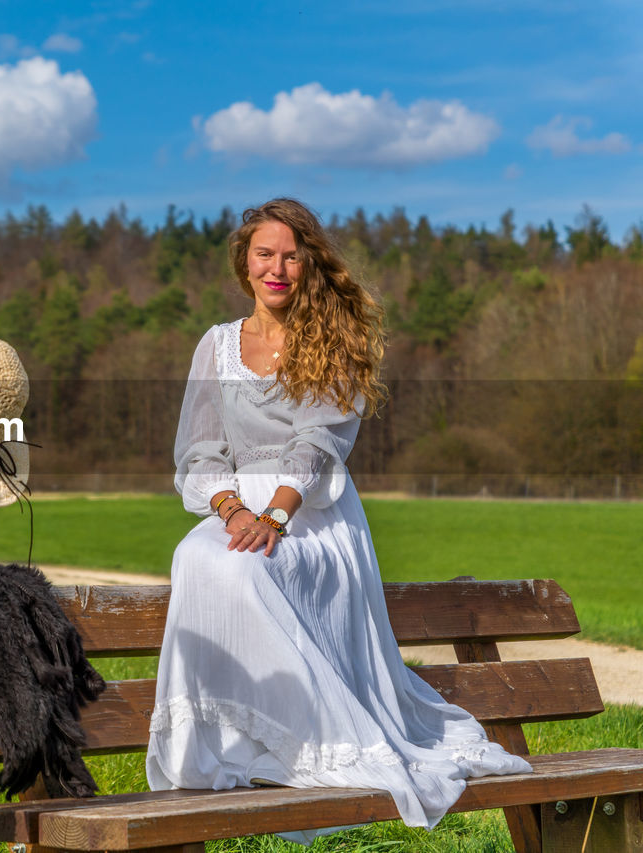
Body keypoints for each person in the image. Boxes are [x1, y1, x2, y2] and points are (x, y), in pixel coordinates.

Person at [145, 198, 532, 844]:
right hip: (240, 507)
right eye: (264, 254)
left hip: (313, 513)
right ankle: (219, 749)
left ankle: (304, 742)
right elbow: (199, 450)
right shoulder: (215, 345)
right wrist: (236, 508)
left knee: (251, 570)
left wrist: (274, 514)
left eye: (291, 256)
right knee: (198, 557)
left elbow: (317, 444)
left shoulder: (331, 338)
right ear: (244, 261)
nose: (277, 268)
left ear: (309, 263)